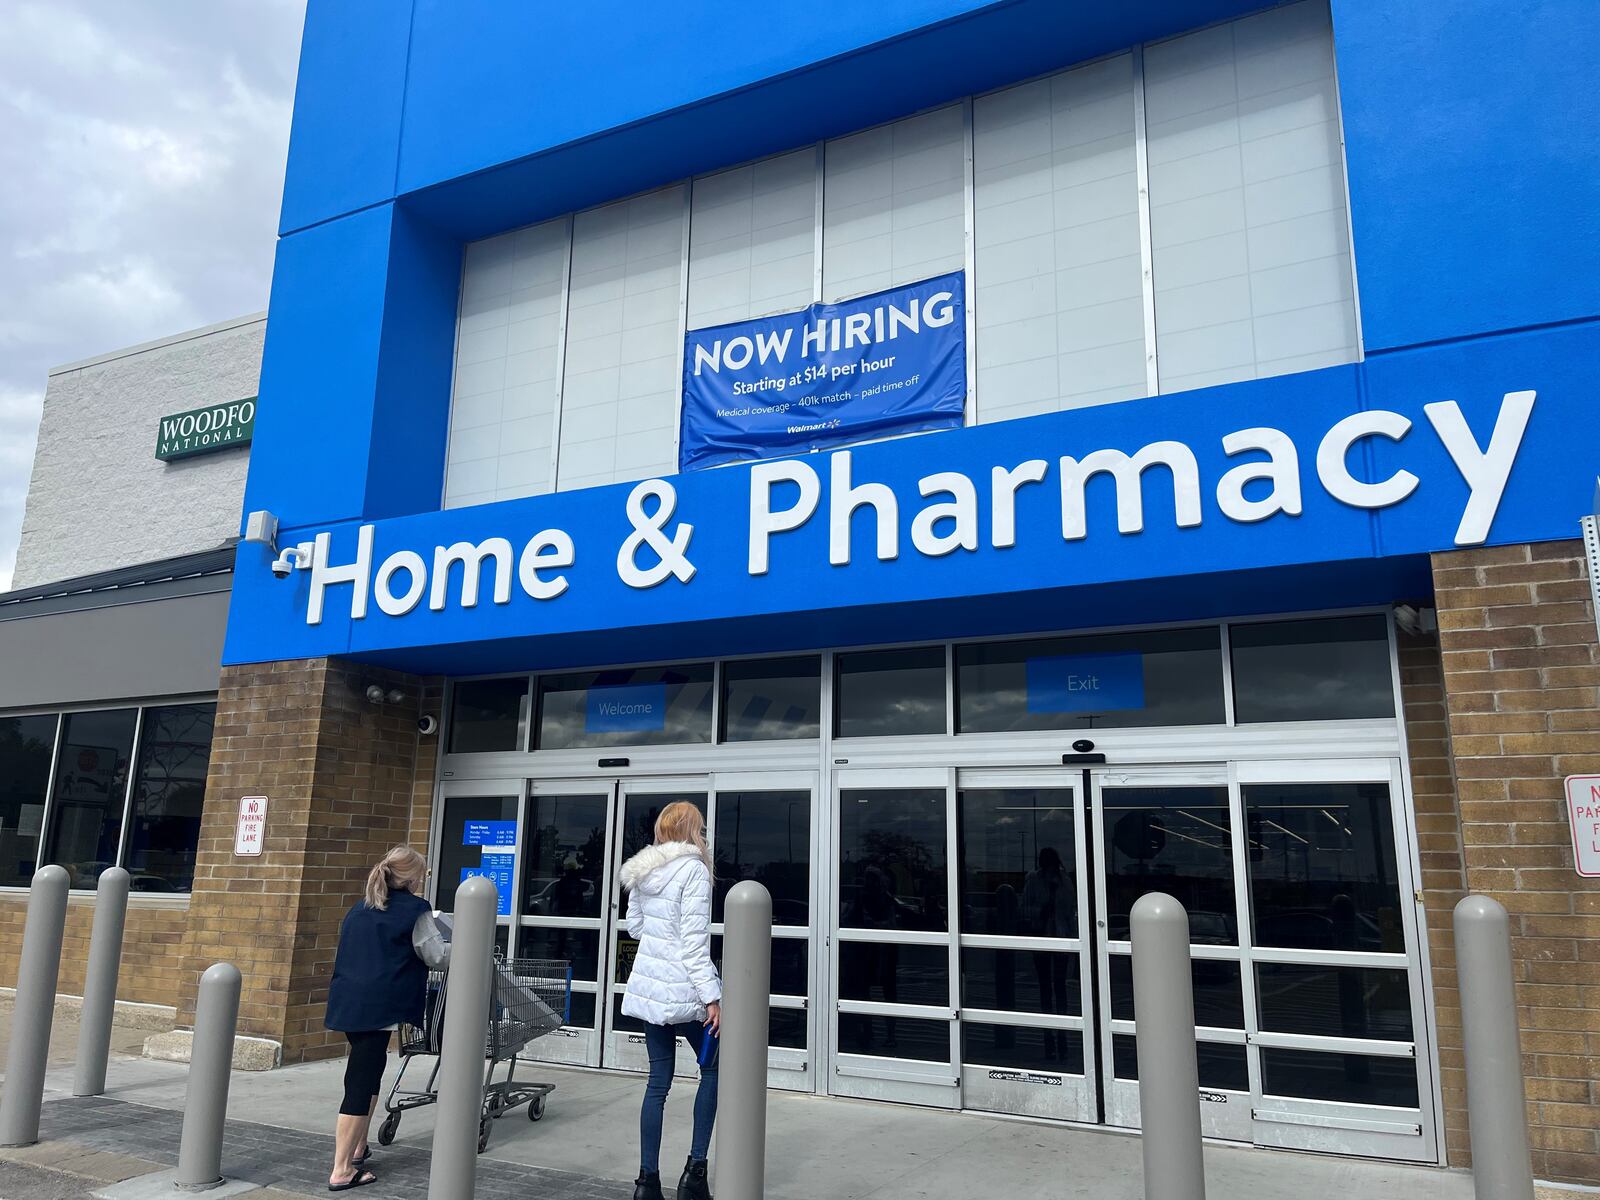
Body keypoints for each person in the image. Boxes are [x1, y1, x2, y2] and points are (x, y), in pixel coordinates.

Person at [323, 846, 450, 1191]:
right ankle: (342, 1169)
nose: (423, 881)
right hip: (380, 1003)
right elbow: (436, 956)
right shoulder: (416, 910)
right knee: (360, 1082)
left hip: (349, 1000)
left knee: (370, 1069)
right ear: (410, 878)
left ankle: (359, 1146)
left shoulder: (361, 907)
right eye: (422, 874)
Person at [619, 802, 721, 1200]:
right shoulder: (694, 870)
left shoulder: (644, 870)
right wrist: (711, 997)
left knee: (657, 1082)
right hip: (685, 990)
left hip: (651, 988)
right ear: (693, 830)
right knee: (714, 1068)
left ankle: (647, 1182)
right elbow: (695, 944)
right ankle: (694, 1174)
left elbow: (636, 927)